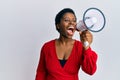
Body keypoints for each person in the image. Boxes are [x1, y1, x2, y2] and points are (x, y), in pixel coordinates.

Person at [35, 8, 98, 80]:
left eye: (74, 21)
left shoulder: (80, 47)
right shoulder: (47, 47)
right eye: (67, 20)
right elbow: (41, 73)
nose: (71, 23)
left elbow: (90, 70)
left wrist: (86, 46)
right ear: (58, 25)